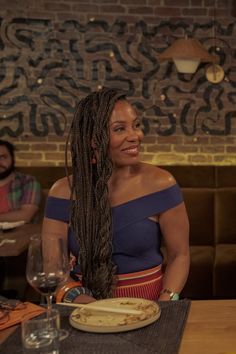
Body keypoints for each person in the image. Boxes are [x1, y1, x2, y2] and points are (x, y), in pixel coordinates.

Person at [42, 87, 190, 304]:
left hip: (152, 306)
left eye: (136, 125)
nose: (136, 136)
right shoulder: (62, 192)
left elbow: (180, 255)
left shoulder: (161, 184)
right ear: (93, 140)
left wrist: (167, 300)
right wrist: (85, 303)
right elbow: (52, 267)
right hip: (82, 307)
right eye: (120, 129)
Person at [0, 140, 41, 223]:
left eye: (2, 157)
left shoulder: (28, 182)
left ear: (12, 158)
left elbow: (26, 215)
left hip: (19, 234)